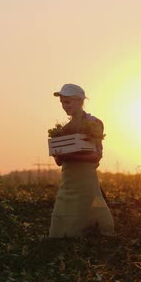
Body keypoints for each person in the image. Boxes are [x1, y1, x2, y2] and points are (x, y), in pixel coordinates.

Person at [48, 83, 114, 238]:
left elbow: (96, 156)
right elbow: (59, 162)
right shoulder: (64, 130)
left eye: (67, 102)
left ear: (79, 101)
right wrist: (58, 154)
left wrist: (69, 156)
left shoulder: (94, 124)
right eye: (62, 103)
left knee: (93, 220)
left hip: (86, 182)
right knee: (63, 227)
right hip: (68, 183)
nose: (64, 106)